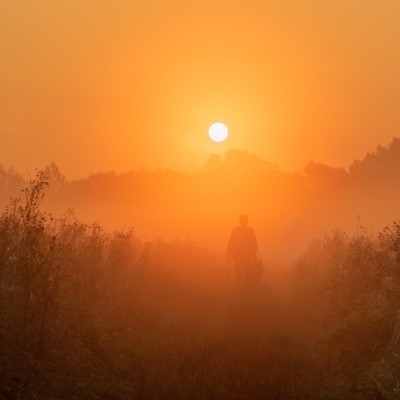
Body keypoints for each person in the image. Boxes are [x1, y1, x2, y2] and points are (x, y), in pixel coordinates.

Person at [226, 215, 258, 288]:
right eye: (242, 221)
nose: (243, 222)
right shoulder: (235, 230)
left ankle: (245, 285)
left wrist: (254, 254)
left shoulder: (250, 230)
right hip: (237, 254)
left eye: (244, 221)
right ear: (240, 221)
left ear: (247, 221)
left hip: (248, 254)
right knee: (238, 269)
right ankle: (239, 285)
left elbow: (254, 242)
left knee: (246, 270)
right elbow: (231, 241)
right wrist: (228, 253)